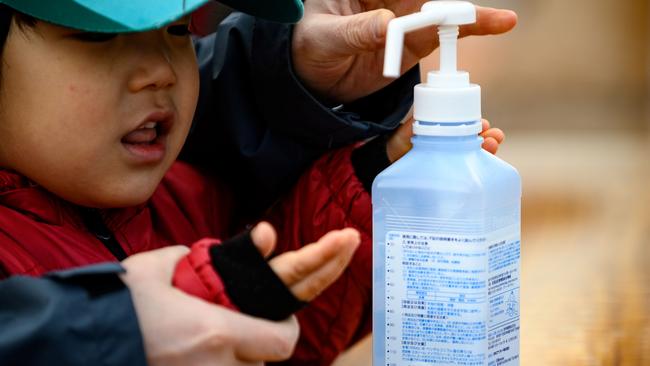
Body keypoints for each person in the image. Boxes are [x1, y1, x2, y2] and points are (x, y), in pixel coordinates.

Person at [0, 1, 515, 366]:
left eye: (179, 31)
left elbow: (282, 344)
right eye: (98, 35)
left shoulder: (190, 197)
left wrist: (373, 179)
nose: (159, 69)